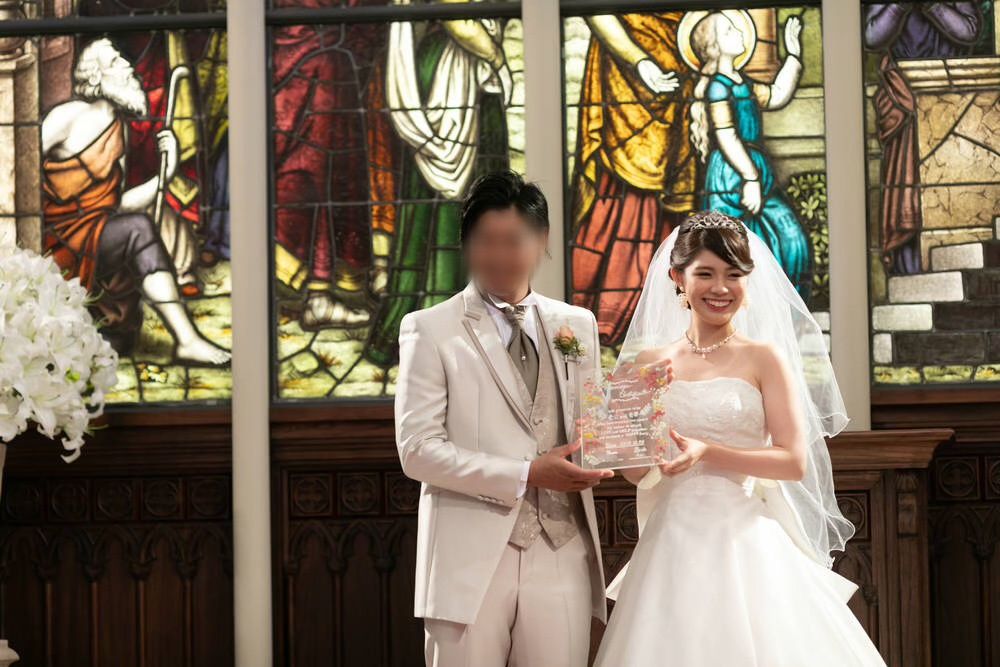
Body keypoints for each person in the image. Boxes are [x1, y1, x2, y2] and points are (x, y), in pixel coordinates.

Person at [593, 210, 886, 666]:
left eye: (733, 275)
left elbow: (793, 461)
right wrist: (623, 419)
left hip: (746, 536)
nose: (721, 288)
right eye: (705, 273)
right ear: (677, 278)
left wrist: (708, 452)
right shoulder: (648, 362)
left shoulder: (763, 358)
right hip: (670, 541)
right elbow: (635, 473)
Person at [394, 171, 613, 666]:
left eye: (513, 241)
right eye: (485, 241)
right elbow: (417, 451)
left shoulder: (576, 325)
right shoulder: (430, 329)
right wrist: (526, 473)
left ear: (542, 241)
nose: (499, 255)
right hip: (469, 557)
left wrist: (636, 428)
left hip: (562, 548)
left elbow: (591, 422)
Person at [41, 38, 230, 365]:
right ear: (95, 75)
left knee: (136, 230)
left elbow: (117, 206)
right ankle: (187, 340)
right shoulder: (68, 116)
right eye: (116, 62)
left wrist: (166, 174)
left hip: (92, 238)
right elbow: (17, 161)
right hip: (55, 240)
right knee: (138, 229)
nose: (127, 67)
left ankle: (184, 339)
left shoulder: (119, 130)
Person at [685, 10, 813, 300]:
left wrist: (793, 56)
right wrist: (750, 178)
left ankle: (783, 311)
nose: (740, 32)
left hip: (756, 172)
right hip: (731, 175)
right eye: (730, 30)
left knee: (791, 239)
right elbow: (726, 136)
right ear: (714, 46)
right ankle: (741, 314)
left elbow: (777, 94)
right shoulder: (718, 87)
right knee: (731, 249)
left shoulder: (744, 83)